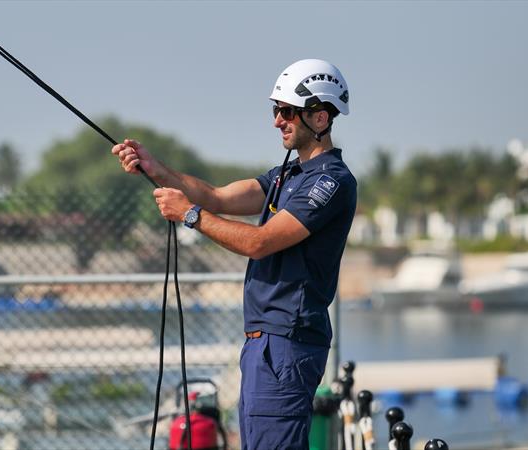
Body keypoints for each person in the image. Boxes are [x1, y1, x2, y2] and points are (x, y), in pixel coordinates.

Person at [112, 59, 357, 450]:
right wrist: (156, 169)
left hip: (286, 342)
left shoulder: (330, 182)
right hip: (263, 344)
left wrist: (189, 216)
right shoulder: (284, 176)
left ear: (321, 117)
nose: (278, 120)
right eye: (276, 110)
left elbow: (260, 241)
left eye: (288, 111)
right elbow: (216, 196)